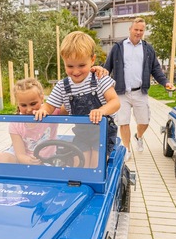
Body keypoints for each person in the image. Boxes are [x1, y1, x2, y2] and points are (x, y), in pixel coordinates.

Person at [34, 31, 120, 168]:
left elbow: (115, 102)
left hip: (103, 132)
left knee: (95, 166)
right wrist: (43, 110)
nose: (76, 71)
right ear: (64, 61)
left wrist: (101, 110)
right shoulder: (63, 85)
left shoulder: (99, 79)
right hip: (82, 134)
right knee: (80, 164)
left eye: (81, 65)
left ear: (92, 60)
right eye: (70, 66)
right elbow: (49, 105)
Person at [104, 17, 175, 158]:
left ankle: (139, 135)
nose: (138, 32)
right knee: (123, 122)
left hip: (140, 92)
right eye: (136, 29)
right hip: (121, 92)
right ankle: (127, 150)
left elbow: (156, 69)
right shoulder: (118, 47)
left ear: (144, 32)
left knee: (144, 122)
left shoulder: (148, 49)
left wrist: (165, 82)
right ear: (130, 29)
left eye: (141, 30)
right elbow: (107, 67)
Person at [0, 78, 61, 165]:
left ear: (42, 98)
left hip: (47, 159)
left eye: (33, 104)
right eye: (23, 105)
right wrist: (29, 161)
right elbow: (20, 154)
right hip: (24, 158)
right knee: (1, 157)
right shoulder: (15, 123)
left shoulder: (51, 112)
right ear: (18, 104)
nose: (29, 109)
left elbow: (67, 108)